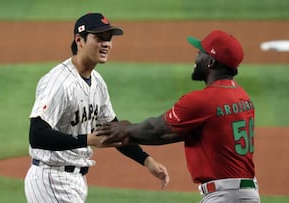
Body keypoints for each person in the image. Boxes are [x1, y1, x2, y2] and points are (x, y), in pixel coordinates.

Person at [97, 30, 260, 203]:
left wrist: (125, 128)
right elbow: (176, 134)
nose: (196, 57)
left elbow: (155, 129)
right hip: (245, 194)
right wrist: (131, 139)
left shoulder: (203, 100)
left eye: (200, 53)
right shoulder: (243, 97)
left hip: (226, 196)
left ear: (211, 62)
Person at [24, 12, 169, 203]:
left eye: (109, 39)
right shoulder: (59, 82)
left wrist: (147, 161)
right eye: (99, 38)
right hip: (51, 178)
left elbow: (113, 129)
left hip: (75, 181)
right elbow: (37, 135)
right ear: (79, 40)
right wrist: (88, 139)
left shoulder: (98, 83)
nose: (106, 44)